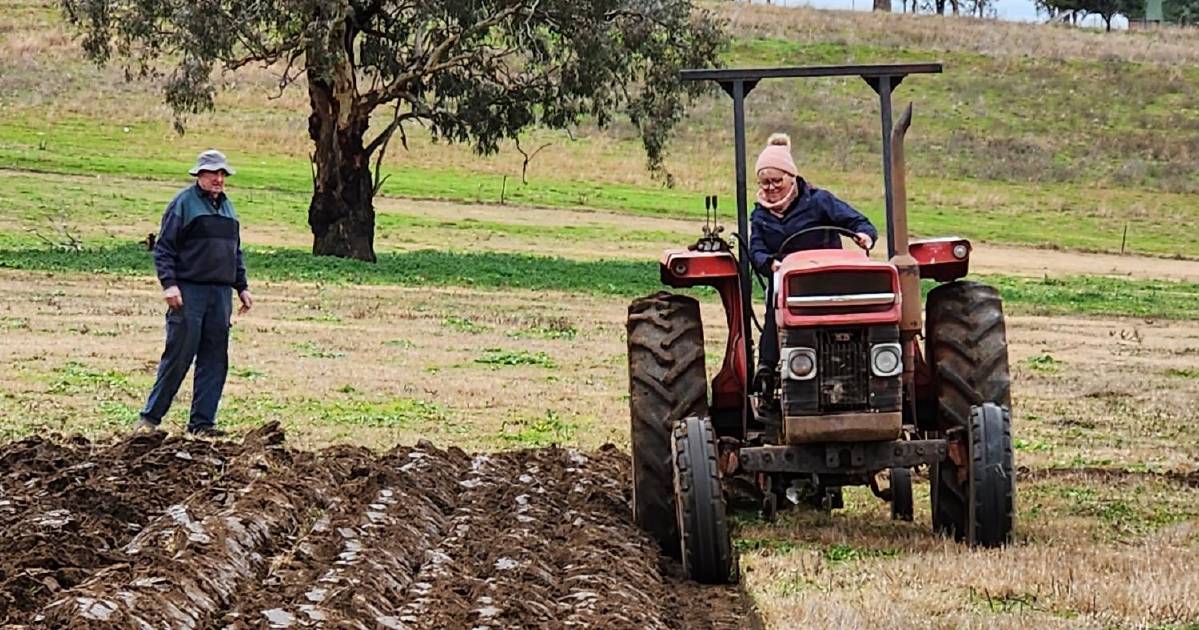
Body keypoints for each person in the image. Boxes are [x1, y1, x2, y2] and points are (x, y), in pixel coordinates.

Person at [133, 149, 252, 436]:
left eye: (222, 174)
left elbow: (234, 251)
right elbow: (164, 249)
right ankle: (149, 420)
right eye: (213, 173)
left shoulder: (228, 208)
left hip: (220, 294)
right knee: (179, 355)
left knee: (215, 358)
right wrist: (169, 285)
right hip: (189, 291)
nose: (218, 179)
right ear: (199, 174)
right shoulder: (183, 205)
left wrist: (242, 286)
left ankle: (202, 424)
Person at [748, 133, 878, 396]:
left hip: (827, 277)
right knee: (774, 304)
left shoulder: (819, 201)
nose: (771, 188)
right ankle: (766, 367)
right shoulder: (760, 215)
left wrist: (865, 236)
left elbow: (858, 223)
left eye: (776, 181)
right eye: (765, 182)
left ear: (791, 177)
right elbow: (756, 250)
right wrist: (769, 264)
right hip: (787, 279)